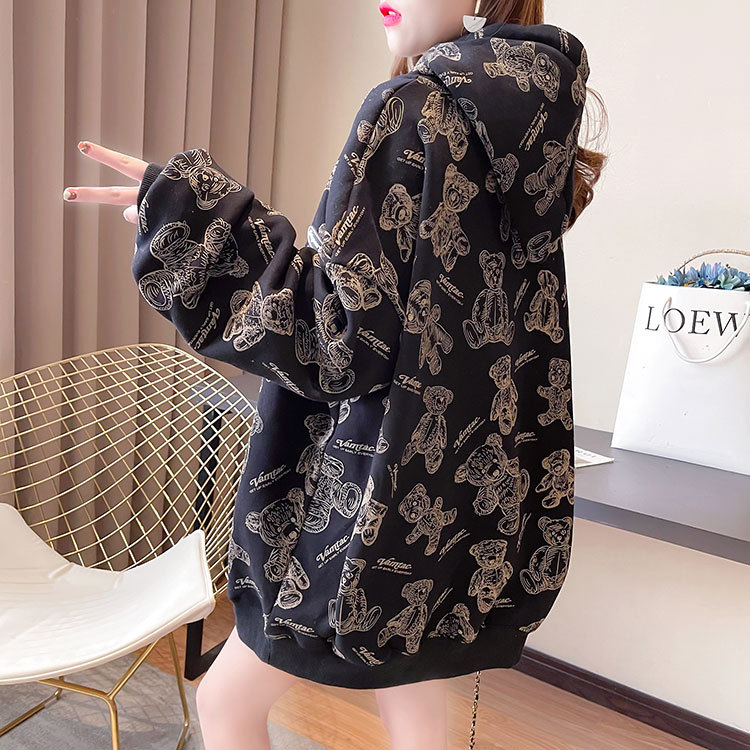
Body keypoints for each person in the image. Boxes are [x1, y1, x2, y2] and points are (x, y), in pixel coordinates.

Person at [63, 1, 606, 748]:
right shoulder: (535, 118)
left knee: (226, 703)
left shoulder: (412, 105)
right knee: (414, 701)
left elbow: (338, 338)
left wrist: (198, 225)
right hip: (467, 495)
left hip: (368, 499)